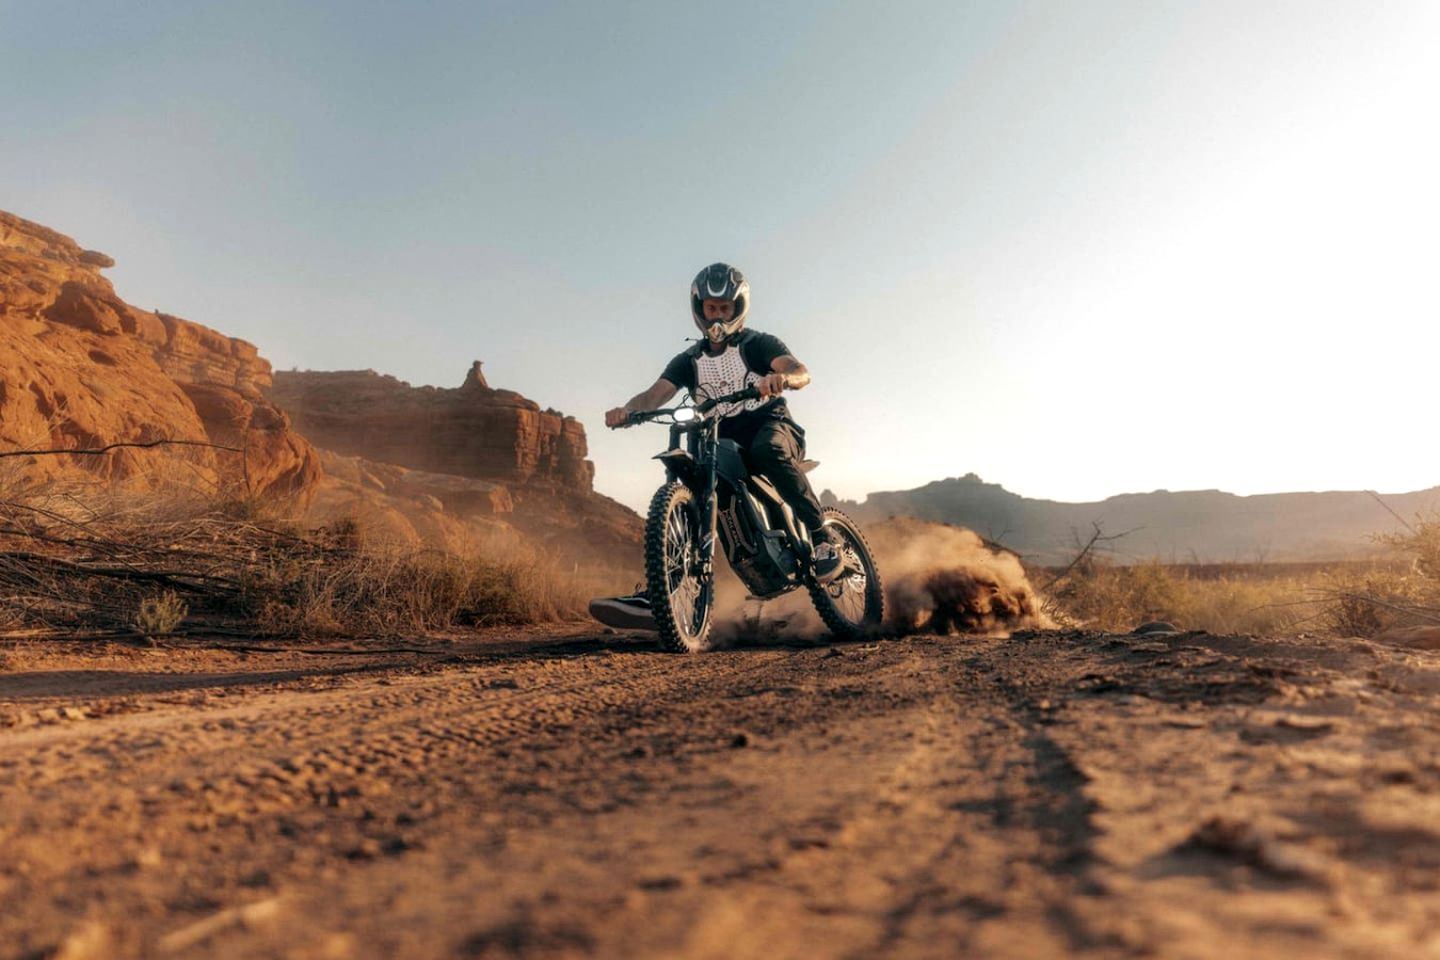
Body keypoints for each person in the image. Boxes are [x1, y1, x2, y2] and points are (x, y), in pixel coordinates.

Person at [601, 262, 843, 606]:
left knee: (768, 449)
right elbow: (654, 395)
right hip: (720, 440)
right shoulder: (688, 360)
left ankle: (822, 537)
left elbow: (798, 370)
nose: (717, 316)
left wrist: (783, 378)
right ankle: (664, 588)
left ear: (738, 308)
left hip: (770, 425)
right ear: (699, 310)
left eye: (724, 308)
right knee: (696, 477)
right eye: (711, 308)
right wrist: (627, 411)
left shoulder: (758, 344)